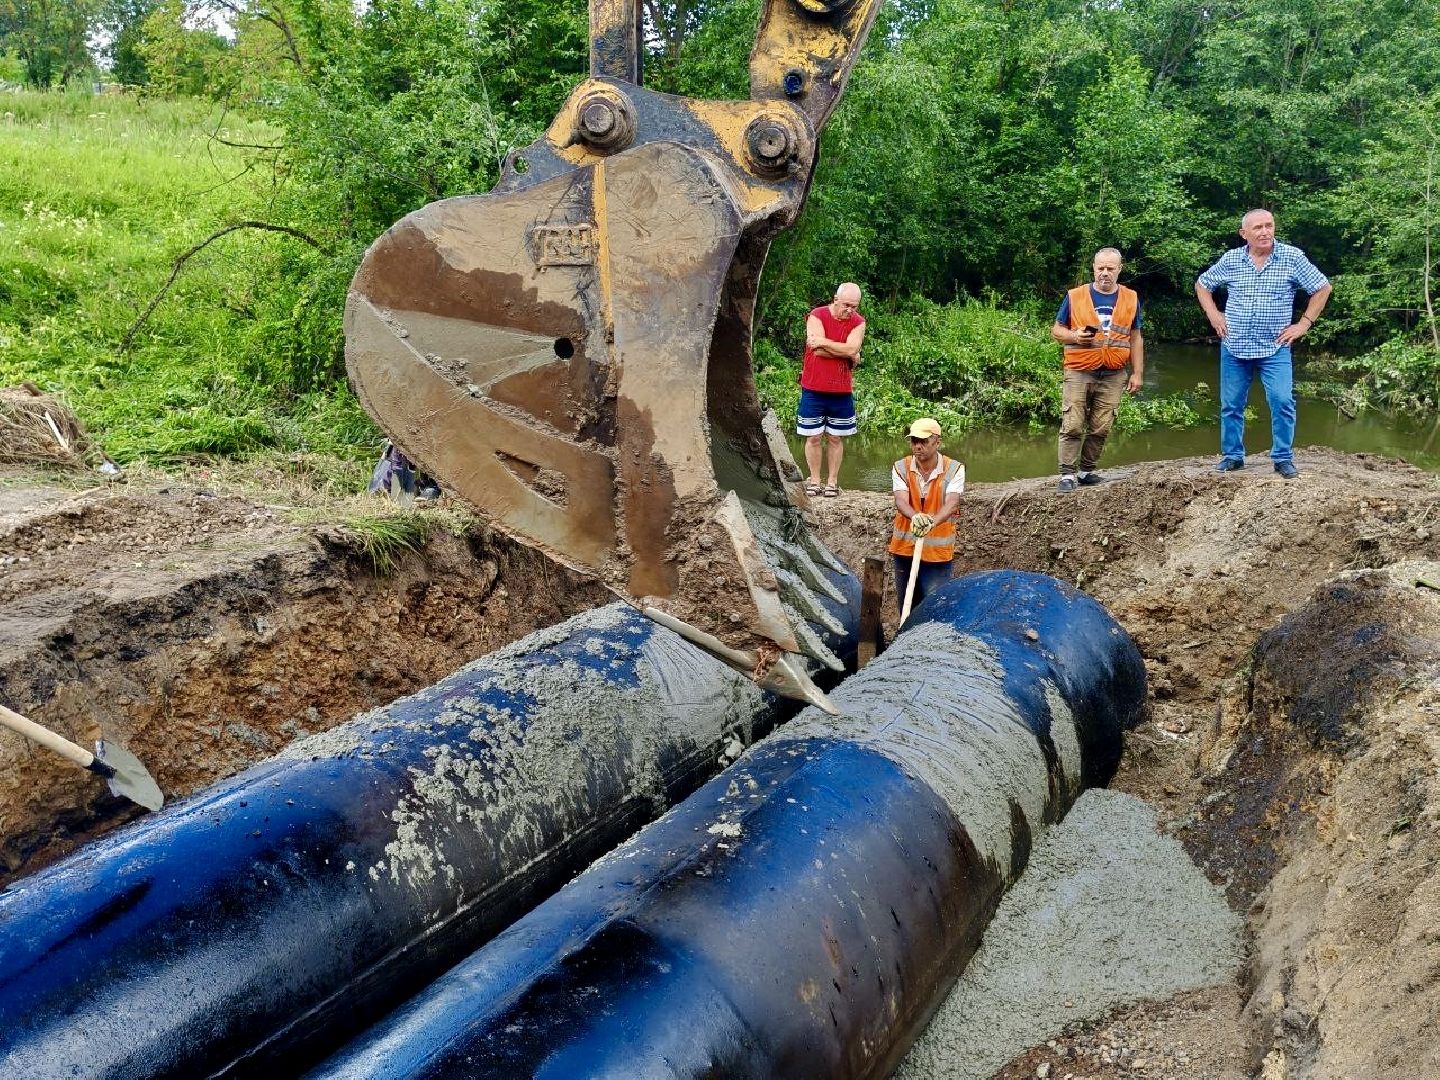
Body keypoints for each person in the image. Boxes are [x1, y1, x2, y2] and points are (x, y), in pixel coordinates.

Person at [1195, 209, 1331, 479]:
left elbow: (1322, 287)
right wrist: (1213, 314)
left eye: (1269, 226)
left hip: (1275, 346)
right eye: (1257, 227)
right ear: (1244, 234)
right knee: (1231, 404)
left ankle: (1282, 457)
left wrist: (1304, 324)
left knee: (1282, 401)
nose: (1265, 232)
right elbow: (1203, 284)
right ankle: (1233, 456)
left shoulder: (1292, 257)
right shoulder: (1232, 259)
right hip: (1234, 344)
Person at [1051, 247, 1144, 493]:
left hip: (1114, 372)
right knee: (1072, 423)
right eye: (1100, 268)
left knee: (1101, 426)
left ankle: (1087, 471)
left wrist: (1137, 373)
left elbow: (1135, 337)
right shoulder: (1075, 296)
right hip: (1079, 369)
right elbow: (1056, 331)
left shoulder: (1131, 298)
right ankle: (1067, 475)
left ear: (1119, 269)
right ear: (1093, 268)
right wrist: (1074, 335)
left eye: (1110, 268)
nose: (1105, 273)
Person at [888, 417, 965, 613]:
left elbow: (952, 502)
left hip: (937, 555)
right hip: (904, 549)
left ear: (937, 442)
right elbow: (901, 500)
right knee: (907, 604)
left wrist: (932, 522)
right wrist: (915, 516)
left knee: (935, 607)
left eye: (923, 441)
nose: (918, 446)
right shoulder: (901, 467)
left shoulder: (954, 469)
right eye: (914, 441)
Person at [798, 282, 866, 497]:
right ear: (835, 299)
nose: (850, 310)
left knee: (836, 438)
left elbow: (853, 348)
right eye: (846, 304)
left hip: (841, 390)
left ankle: (832, 482)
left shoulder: (858, 322)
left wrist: (831, 345)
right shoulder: (817, 315)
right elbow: (816, 351)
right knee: (813, 437)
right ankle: (815, 480)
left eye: (854, 306)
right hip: (813, 387)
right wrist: (846, 352)